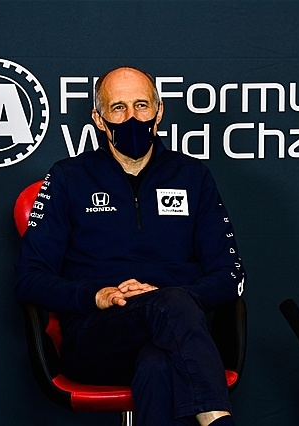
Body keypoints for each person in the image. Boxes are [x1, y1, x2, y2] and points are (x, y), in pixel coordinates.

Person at [14, 66, 246, 426]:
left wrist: (171, 298)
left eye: (141, 105)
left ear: (159, 111)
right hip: (98, 337)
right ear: (99, 119)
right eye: (118, 108)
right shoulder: (67, 177)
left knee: (157, 363)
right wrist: (96, 295)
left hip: (177, 336)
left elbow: (230, 276)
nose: (133, 117)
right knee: (170, 311)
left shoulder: (193, 176)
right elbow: (29, 278)